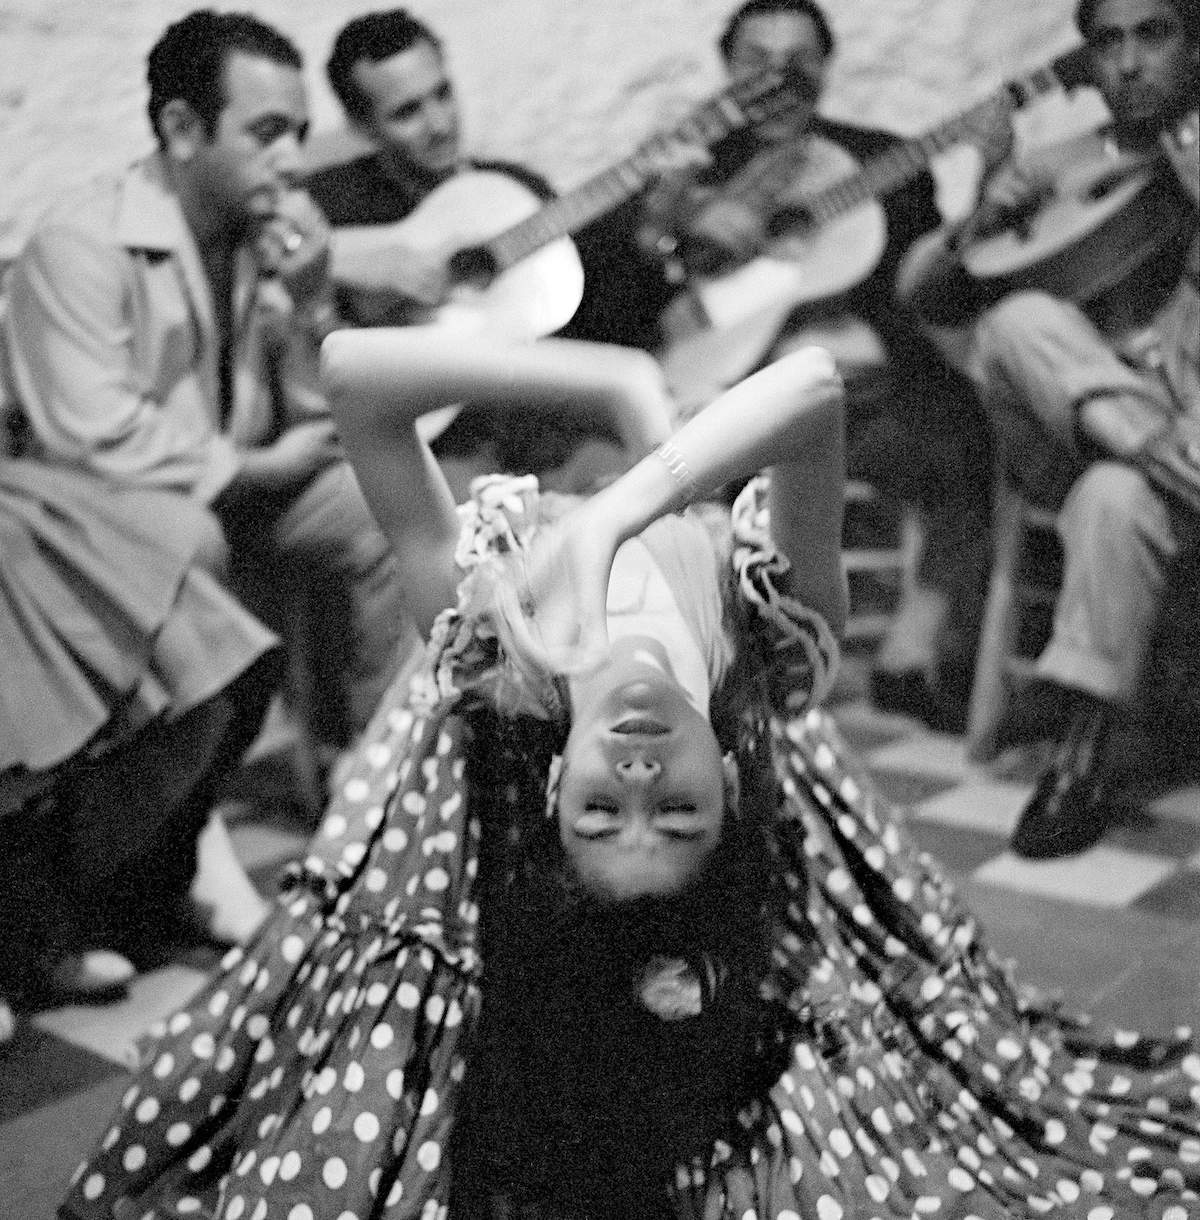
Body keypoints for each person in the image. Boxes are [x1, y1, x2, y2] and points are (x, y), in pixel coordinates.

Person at [59, 328, 1197, 1219]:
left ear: (553, 789)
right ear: (736, 787)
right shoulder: (776, 644)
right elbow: (807, 391)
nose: (640, 770)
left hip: (596, 434)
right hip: (668, 439)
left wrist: (607, 390)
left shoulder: (490, 626)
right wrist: (627, 499)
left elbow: (353, 372)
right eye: (679, 808)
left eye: (605, 809)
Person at [3, 9, 409, 766]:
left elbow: (320, 415)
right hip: (105, 518)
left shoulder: (262, 231)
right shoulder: (80, 245)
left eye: (299, 131)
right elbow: (97, 436)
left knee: (381, 499)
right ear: (184, 129)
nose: (292, 160)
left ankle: (378, 757)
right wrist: (255, 468)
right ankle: (184, 805)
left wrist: (315, 297)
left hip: (242, 488)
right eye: (266, 133)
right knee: (192, 542)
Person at [630, 0, 995, 729]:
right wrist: (668, 222)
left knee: (967, 434)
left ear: (825, 69)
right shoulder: (696, 165)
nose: (779, 78)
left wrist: (989, 173)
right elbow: (642, 297)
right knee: (669, 469)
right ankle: (714, 665)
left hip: (864, 394)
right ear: (727, 72)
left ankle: (911, 658)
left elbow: (933, 286)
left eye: (799, 59)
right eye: (756, 61)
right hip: (736, 402)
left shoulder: (878, 161)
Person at [898, 0, 1199, 858]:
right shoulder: (1058, 160)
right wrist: (974, 225)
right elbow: (922, 298)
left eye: (1156, 34)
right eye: (1109, 41)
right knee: (1016, 319)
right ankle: (1156, 456)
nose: (1131, 62)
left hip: (1172, 430)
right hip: (1076, 435)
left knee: (1118, 496)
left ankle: (1080, 757)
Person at [305, 8, 637, 495]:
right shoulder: (331, 204)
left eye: (443, 94)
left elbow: (598, 319)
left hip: (548, 437)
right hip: (432, 453)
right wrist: (348, 263)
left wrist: (656, 226)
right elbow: (259, 263)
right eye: (407, 112)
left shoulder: (515, 189)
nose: (439, 124)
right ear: (362, 125)